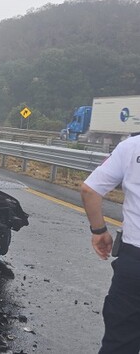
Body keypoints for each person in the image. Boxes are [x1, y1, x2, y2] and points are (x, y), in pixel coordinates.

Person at [81, 133, 140, 353]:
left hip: (135, 263)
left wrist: (99, 231)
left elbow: (90, 190)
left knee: (120, 343)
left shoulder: (132, 147)